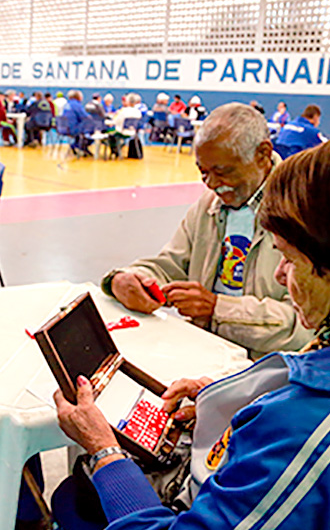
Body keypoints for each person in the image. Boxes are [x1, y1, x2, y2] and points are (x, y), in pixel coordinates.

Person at [52, 129, 330, 530]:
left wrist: (104, 450)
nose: (281, 275)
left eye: (291, 260)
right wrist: (230, 399)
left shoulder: (307, 432)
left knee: (75, 495)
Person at [102, 103, 310, 357]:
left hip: (272, 366)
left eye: (222, 172)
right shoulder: (208, 206)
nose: (212, 184)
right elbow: (170, 265)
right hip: (206, 350)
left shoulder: (306, 213)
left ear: (262, 154)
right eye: (203, 172)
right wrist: (125, 279)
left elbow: (303, 325)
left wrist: (217, 309)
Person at [62, 89, 93, 157]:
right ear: (78, 97)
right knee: (93, 129)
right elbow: (85, 117)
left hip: (64, 128)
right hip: (74, 129)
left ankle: (78, 145)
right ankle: (80, 146)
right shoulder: (77, 105)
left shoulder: (67, 104)